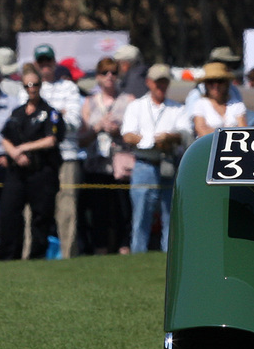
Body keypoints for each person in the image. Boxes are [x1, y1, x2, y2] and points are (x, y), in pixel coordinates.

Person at [121, 64, 191, 253]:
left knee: (171, 215)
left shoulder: (177, 108)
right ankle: (138, 254)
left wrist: (169, 137)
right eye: (157, 82)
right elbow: (127, 135)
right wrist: (150, 140)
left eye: (164, 82)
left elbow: (185, 133)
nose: (161, 86)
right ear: (148, 83)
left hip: (169, 162)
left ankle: (170, 256)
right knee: (141, 215)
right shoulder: (136, 106)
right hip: (145, 163)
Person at [0, 63, 65, 260]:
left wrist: (24, 148)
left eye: (35, 84)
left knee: (41, 216)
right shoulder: (17, 113)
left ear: (40, 85)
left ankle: (37, 256)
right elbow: (5, 137)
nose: (32, 89)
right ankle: (10, 256)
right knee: (10, 212)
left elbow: (51, 139)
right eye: (27, 85)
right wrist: (15, 154)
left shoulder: (50, 112)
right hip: (17, 172)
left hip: (41, 171)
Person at [25, 44, 85, 256]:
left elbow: (74, 122)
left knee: (67, 207)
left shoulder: (68, 88)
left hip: (66, 155)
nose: (45, 66)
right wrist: (56, 115)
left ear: (54, 62)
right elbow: (26, 124)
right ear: (36, 64)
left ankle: (69, 256)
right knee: (33, 209)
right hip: (38, 158)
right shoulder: (28, 88)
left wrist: (46, 118)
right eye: (41, 62)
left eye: (48, 61)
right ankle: (29, 255)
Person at [77, 57, 134, 255]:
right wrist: (97, 128)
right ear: (98, 76)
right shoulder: (89, 102)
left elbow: (135, 133)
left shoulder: (129, 101)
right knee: (98, 210)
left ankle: (124, 246)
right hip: (96, 164)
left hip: (121, 164)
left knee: (123, 209)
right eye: (104, 72)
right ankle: (100, 248)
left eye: (114, 72)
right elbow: (81, 138)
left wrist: (119, 131)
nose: (109, 76)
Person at [192, 61, 246, 137]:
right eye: (210, 81)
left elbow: (244, 131)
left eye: (220, 81)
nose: (215, 85)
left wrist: (213, 131)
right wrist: (231, 132)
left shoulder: (237, 104)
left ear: (227, 83)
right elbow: (201, 130)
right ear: (205, 85)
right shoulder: (200, 104)